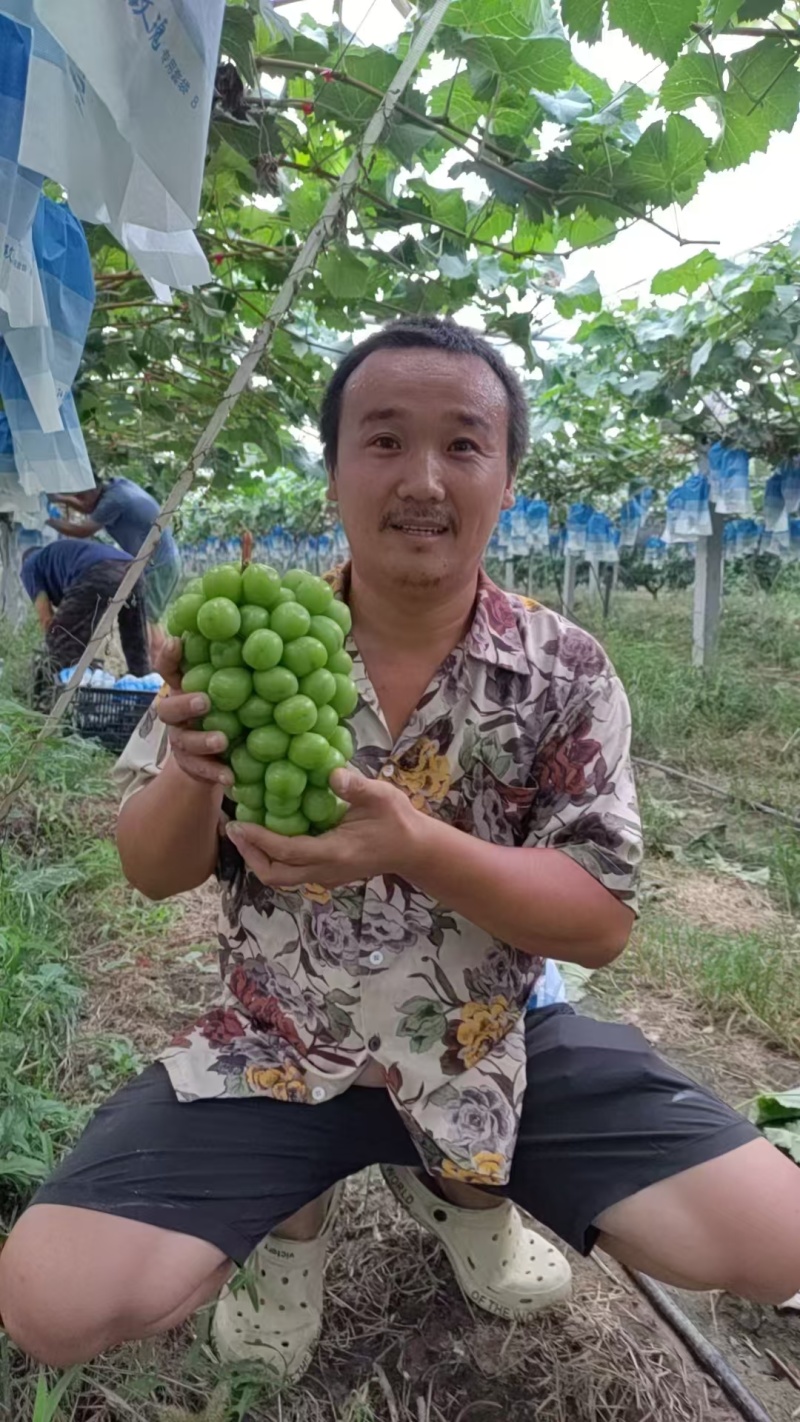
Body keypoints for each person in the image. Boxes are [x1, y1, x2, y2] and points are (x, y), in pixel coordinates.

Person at [2, 318, 798, 1376]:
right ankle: (295, 1230)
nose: (422, 476)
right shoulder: (243, 640)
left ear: (505, 477)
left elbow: (599, 921)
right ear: (332, 472)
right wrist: (193, 764)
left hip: (489, 1032)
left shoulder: (563, 668)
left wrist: (414, 845)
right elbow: (151, 873)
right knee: (52, 1303)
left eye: (463, 444)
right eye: (382, 440)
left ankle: (460, 1191)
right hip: (279, 1036)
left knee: (772, 1236)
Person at [46, 475, 181, 659]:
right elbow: (88, 505)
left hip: (157, 565)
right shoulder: (117, 485)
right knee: (150, 619)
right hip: (161, 561)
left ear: (94, 490)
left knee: (145, 622)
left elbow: (82, 530)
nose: (78, 500)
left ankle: (155, 669)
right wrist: (60, 498)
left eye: (80, 496)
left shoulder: (113, 501)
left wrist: (46, 520)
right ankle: (160, 667)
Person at [20, 539, 150, 678]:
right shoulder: (56, 556)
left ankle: (59, 691)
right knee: (134, 636)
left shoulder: (30, 566)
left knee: (62, 641)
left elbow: (46, 619)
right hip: (134, 568)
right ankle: (141, 683)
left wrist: (53, 643)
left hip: (98, 570)